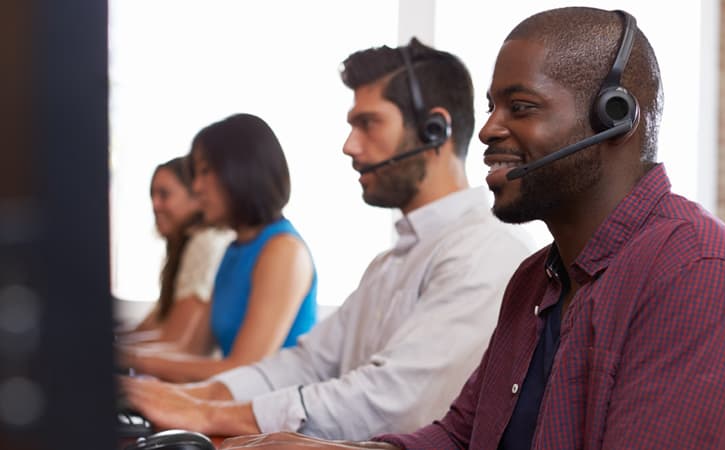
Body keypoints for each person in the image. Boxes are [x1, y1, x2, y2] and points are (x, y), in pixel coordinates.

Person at [217, 7, 725, 450]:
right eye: (492, 106)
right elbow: (461, 439)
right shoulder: (534, 282)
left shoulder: (700, 279)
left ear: (614, 118)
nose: (489, 129)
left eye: (520, 106)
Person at [120, 38, 532, 440]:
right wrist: (182, 398)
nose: (349, 145)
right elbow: (306, 364)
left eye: (367, 123)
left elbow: (391, 402)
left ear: (433, 130)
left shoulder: (482, 255)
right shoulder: (389, 263)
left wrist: (204, 412)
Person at [119, 113, 318, 383]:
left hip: (276, 414)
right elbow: (190, 349)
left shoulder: (283, 250)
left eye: (204, 172)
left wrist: (129, 358)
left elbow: (245, 369)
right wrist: (121, 353)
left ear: (242, 170)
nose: (197, 187)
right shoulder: (234, 249)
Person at [116, 156, 234, 355]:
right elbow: (154, 323)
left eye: (164, 195)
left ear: (195, 198)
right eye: (152, 195)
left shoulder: (204, 243)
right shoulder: (181, 247)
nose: (155, 204)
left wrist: (113, 352)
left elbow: (173, 339)